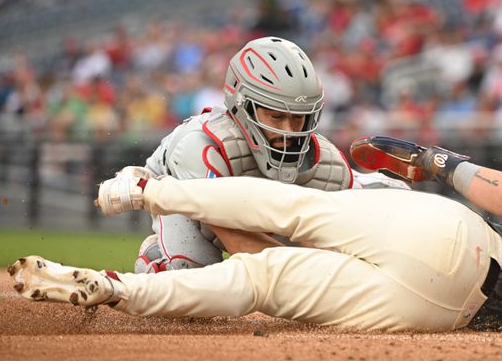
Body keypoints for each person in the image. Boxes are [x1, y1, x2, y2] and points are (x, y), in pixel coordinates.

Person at [9, 141, 502, 332]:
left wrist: (441, 162)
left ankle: (144, 188)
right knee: (266, 282)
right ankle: (114, 290)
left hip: (466, 243)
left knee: (291, 211)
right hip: (444, 312)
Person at [131, 36, 406, 273]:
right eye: (276, 116)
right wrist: (313, 275)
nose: (289, 132)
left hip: (260, 208)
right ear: (243, 105)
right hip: (191, 206)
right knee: (188, 276)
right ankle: (156, 258)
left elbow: (328, 239)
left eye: (299, 118)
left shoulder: (327, 164)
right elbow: (239, 242)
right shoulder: (200, 147)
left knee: (393, 199)